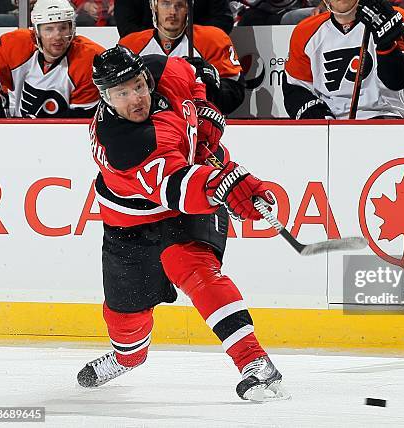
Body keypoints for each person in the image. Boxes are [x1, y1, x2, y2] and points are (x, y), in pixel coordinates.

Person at [77, 45, 287, 402]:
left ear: (146, 77)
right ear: (105, 98)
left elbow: (197, 69)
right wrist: (221, 184)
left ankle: (256, 362)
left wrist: (204, 105)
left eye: (138, 86)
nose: (136, 99)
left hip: (187, 207)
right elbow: (176, 187)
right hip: (134, 221)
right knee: (125, 318)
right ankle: (127, 358)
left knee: (192, 266)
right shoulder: (124, 143)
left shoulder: (162, 71)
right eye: (122, 93)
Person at [283, 0, 404, 119]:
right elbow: (296, 89)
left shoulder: (392, 17)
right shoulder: (305, 31)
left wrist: (387, 45)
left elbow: (401, 79)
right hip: (331, 125)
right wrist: (320, 118)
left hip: (385, 117)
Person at [0, 0, 104, 118]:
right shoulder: (15, 44)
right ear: (36, 32)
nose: (57, 36)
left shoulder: (88, 59)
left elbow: (79, 121)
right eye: (49, 29)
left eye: (63, 28)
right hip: (17, 127)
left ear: (72, 28)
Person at [119, 0, 244, 115]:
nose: (172, 12)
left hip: (198, 123)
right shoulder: (131, 45)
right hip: (148, 126)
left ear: (189, 8)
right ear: (154, 6)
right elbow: (116, 97)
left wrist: (213, 84)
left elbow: (234, 95)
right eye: (166, 4)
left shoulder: (213, 39)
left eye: (179, 5)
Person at [114, 0, 234, 37]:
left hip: (198, 53)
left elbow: (223, 20)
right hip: (147, 57)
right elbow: (127, 27)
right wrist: (159, 41)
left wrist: (185, 39)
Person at [233, 0, 326, 26]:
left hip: (294, 12)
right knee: (248, 18)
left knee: (319, 14)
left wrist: (324, 3)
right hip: (261, 16)